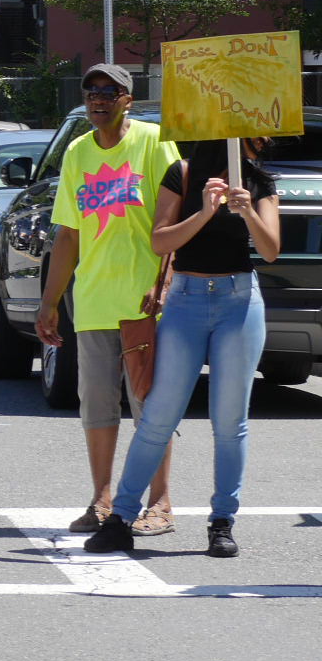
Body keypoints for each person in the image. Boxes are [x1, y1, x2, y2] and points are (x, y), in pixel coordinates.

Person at [87, 138, 277, 558]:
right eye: (254, 135)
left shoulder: (259, 183)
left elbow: (270, 249)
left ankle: (222, 521)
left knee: (230, 422)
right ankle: (120, 518)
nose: (260, 142)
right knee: (157, 416)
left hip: (239, 300)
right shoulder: (184, 173)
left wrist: (246, 211)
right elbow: (161, 240)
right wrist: (205, 211)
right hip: (187, 299)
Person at [36, 62, 179, 536]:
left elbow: (174, 222)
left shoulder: (155, 142)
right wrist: (50, 301)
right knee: (96, 407)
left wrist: (164, 282)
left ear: (127, 100)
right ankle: (102, 500)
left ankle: (159, 504)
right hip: (94, 300)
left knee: (150, 408)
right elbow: (68, 235)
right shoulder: (77, 152)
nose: (98, 97)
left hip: (143, 302)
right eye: (91, 89)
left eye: (109, 91)